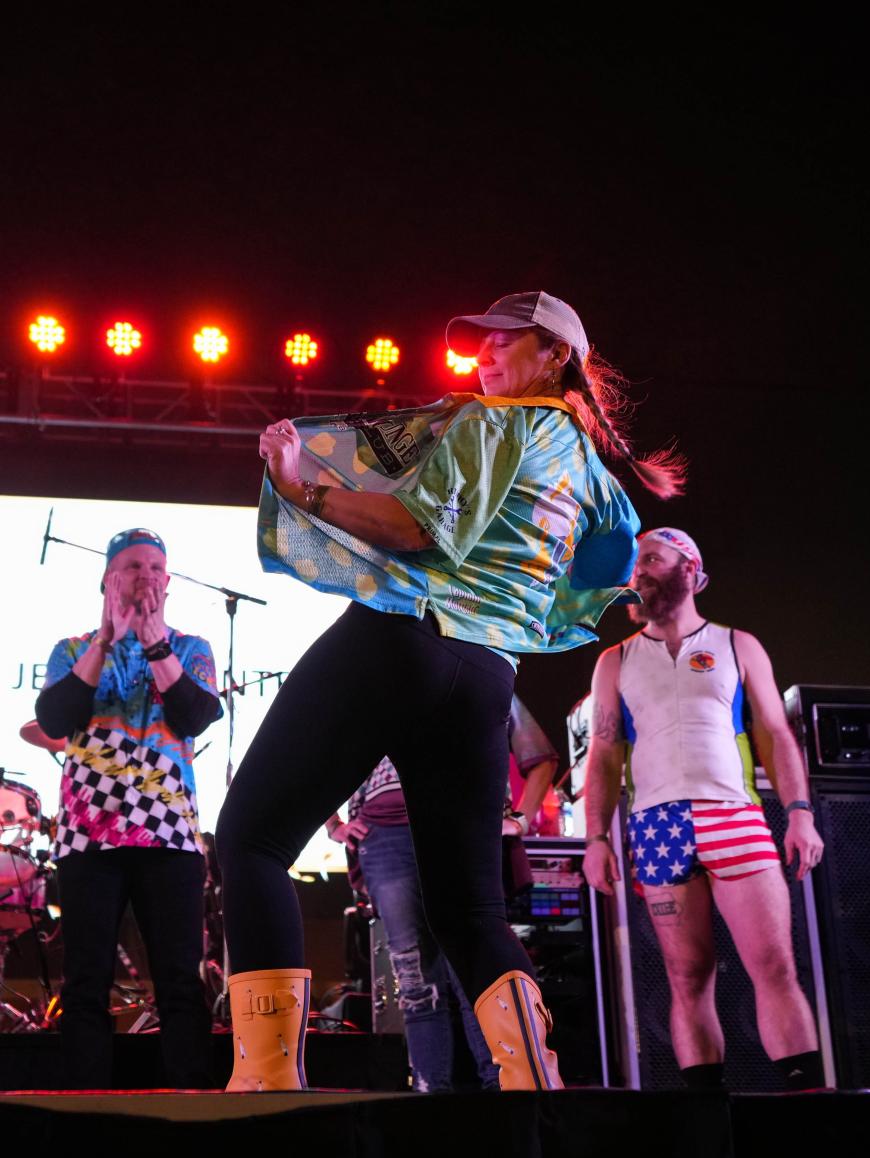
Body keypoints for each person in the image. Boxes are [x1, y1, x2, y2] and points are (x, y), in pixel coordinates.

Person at [216, 290, 684, 1092]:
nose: (486, 355)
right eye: (484, 343)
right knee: (471, 913)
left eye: (508, 342)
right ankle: (537, 1097)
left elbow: (416, 528)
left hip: (404, 638)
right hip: (486, 679)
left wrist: (301, 487)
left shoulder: (492, 423)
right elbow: (604, 572)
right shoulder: (598, 478)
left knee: (251, 841)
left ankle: (266, 1088)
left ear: (556, 357)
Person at [583, 527, 824, 1090]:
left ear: (689, 570)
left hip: (732, 814)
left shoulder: (739, 644)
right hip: (657, 826)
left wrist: (800, 811)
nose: (636, 571)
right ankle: (704, 1123)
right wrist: (596, 838)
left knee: (775, 967)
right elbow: (602, 754)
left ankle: (811, 1107)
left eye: (652, 560)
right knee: (686, 975)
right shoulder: (613, 662)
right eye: (633, 563)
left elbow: (774, 732)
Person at [35, 528, 223, 1088]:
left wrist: (154, 641)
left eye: (156, 567)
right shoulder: (71, 649)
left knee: (179, 982)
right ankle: (85, 1108)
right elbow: (54, 719)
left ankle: (188, 1106)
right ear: (107, 579)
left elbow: (193, 716)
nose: (146, 576)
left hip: (168, 835)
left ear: (168, 582)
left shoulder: (193, 649)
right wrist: (106, 640)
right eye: (133, 566)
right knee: (85, 981)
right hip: (89, 836)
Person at [326, 694, 559, 1093]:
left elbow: (541, 756)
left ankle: (502, 1089)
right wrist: (333, 825)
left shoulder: (478, 664)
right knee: (415, 976)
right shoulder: (372, 682)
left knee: (475, 967)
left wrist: (518, 819)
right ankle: (431, 1096)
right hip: (384, 837)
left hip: (461, 823)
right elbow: (322, 759)